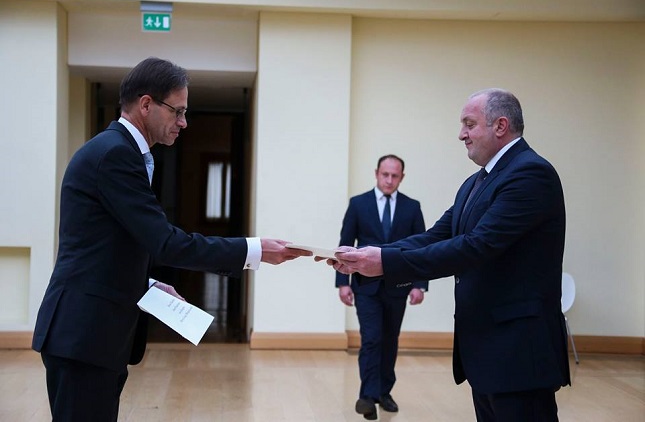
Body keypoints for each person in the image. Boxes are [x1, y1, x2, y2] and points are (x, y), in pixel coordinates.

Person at [31, 57, 310, 422]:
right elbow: (165, 242)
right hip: (84, 334)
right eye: (178, 111)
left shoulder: (120, 151)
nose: (183, 122)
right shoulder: (115, 155)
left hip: (91, 334)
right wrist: (252, 249)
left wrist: (145, 283)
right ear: (146, 104)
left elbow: (106, 244)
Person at [327, 89, 571, 421]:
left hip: (518, 351)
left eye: (469, 124)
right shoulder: (475, 182)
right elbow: (434, 237)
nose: (461, 134)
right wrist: (371, 255)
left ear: (500, 126)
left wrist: (384, 263)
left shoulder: (530, 174)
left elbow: (476, 246)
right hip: (487, 350)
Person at [336, 154, 427, 420]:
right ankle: (367, 397)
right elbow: (345, 243)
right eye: (385, 174)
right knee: (372, 339)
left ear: (402, 177)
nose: (389, 180)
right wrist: (342, 283)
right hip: (365, 286)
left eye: (394, 176)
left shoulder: (412, 207)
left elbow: (422, 247)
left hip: (398, 285)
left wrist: (419, 284)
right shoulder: (358, 204)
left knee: (389, 340)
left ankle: (384, 392)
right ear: (376, 173)